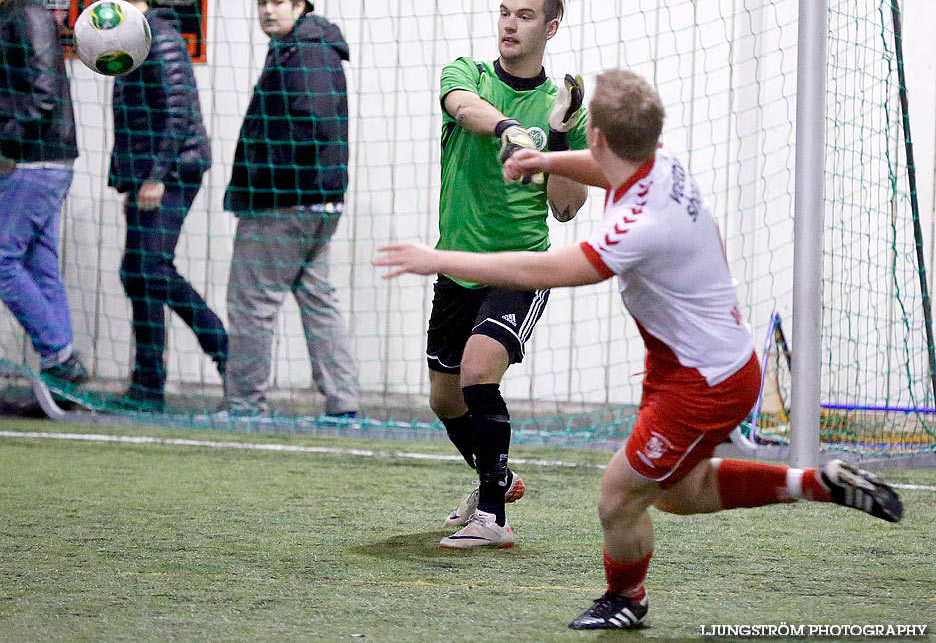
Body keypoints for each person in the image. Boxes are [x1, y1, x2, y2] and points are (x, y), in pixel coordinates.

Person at [375, 68, 904, 628]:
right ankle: (817, 484)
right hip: (696, 364)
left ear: (597, 136)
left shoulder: (637, 225)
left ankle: (627, 599)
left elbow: (546, 269)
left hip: (705, 381)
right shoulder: (663, 163)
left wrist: (439, 259)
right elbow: (603, 171)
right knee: (675, 492)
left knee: (618, 497)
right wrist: (546, 160)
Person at [419, 0, 589, 550]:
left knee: (477, 370)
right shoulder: (468, 73)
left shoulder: (562, 106)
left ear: (551, 27)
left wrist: (560, 140)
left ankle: (493, 516)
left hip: (521, 265)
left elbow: (566, 210)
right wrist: (509, 128)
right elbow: (462, 107)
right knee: (445, 400)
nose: (510, 24)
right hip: (457, 262)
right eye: (504, 12)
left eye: (524, 15)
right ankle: (499, 476)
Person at [221, 0, 359, 418]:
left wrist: (261, 175)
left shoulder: (305, 53)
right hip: (317, 204)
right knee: (319, 301)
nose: (267, 9)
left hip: (285, 203)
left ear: (301, 5)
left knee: (251, 306)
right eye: (261, 1)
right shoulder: (306, 48)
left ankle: (244, 405)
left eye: (277, 1)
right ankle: (344, 403)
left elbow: (311, 125)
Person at [89, 0, 227, 411]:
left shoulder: (160, 38)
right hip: (152, 172)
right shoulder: (135, 42)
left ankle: (224, 357)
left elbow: (177, 113)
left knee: (148, 269)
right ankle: (150, 385)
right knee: (140, 273)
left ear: (112, 0)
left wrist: (155, 176)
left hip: (172, 171)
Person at [0, 0, 88, 387]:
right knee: (40, 265)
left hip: (35, 161)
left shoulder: (25, 16)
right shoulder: (13, 15)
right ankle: (62, 373)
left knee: (1, 259)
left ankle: (60, 355)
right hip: (45, 159)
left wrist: (5, 146)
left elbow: (41, 97)